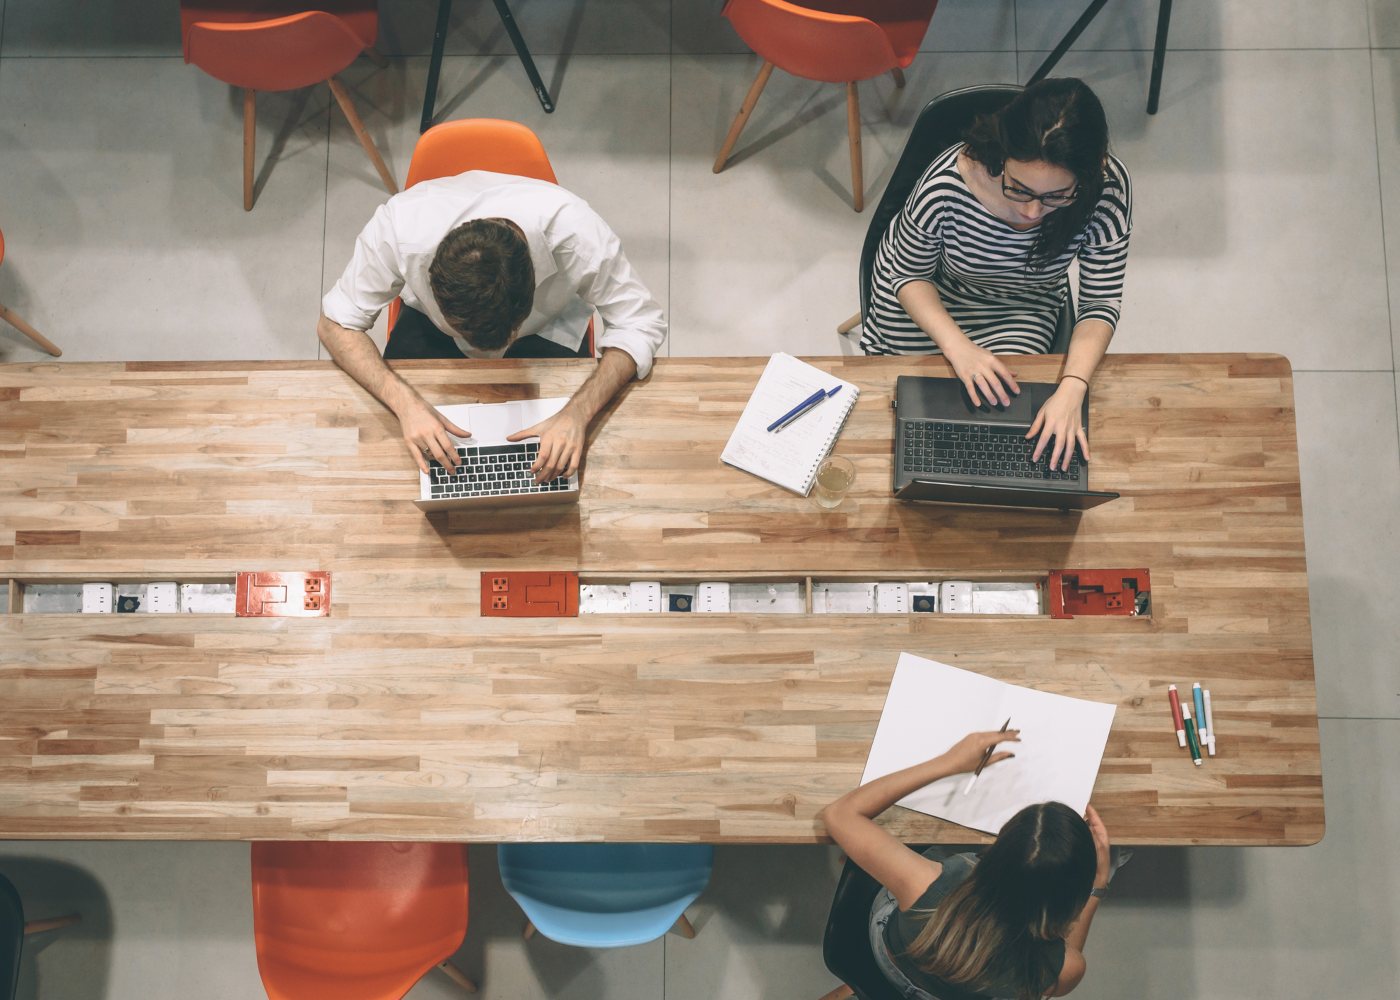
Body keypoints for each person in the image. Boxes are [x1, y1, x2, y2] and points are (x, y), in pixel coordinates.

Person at [318, 170, 666, 482]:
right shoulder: (398, 227)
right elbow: (334, 324)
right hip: (431, 331)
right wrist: (404, 403)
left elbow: (640, 322)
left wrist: (578, 412)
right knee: (388, 465)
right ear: (434, 286)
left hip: (545, 331)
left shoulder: (576, 231)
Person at [859, 78, 1132, 472]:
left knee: (1000, 430)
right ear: (1002, 156)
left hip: (1021, 308)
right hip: (932, 296)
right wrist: (958, 348)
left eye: (1057, 196)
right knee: (910, 418)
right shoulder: (949, 182)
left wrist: (1074, 386)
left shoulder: (1108, 191)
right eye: (1019, 189)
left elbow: (1100, 301)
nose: (1032, 214)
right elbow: (906, 273)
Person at [819, 730, 1120, 999]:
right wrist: (1097, 886)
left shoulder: (928, 887)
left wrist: (948, 762)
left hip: (891, 959)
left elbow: (839, 815)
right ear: (1072, 902)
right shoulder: (1065, 970)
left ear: (998, 848)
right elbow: (1062, 961)